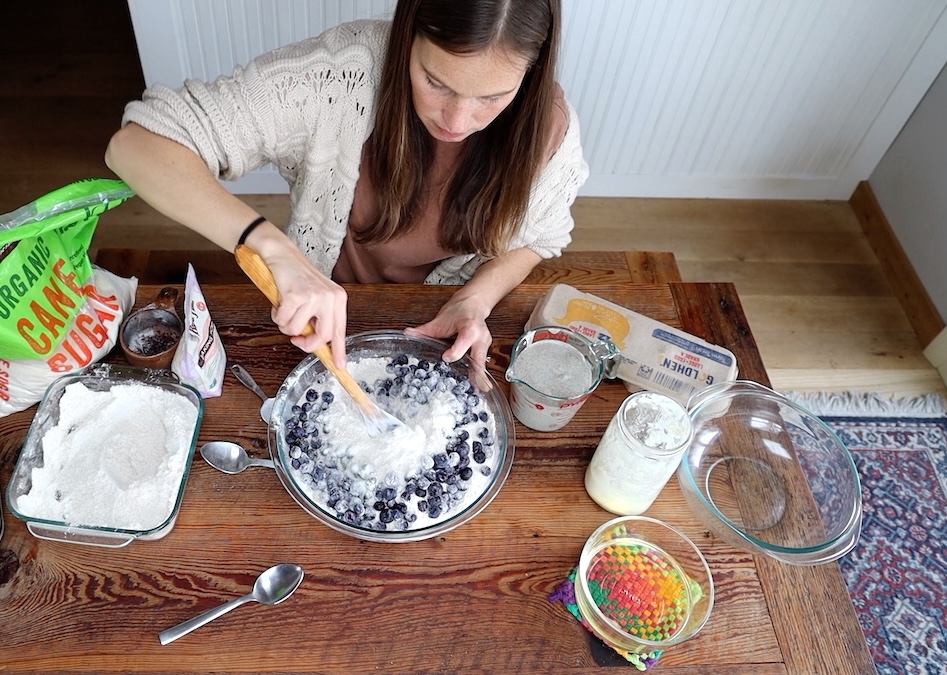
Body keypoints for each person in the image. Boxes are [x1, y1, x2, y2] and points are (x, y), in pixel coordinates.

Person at [105, 0, 587, 390]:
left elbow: (541, 237)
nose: (457, 122)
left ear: (532, 72)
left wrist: (474, 300)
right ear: (407, 37)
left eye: (492, 97)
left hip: (433, 328)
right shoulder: (339, 76)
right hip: (317, 314)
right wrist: (273, 248)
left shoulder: (548, 130)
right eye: (435, 81)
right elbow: (135, 147)